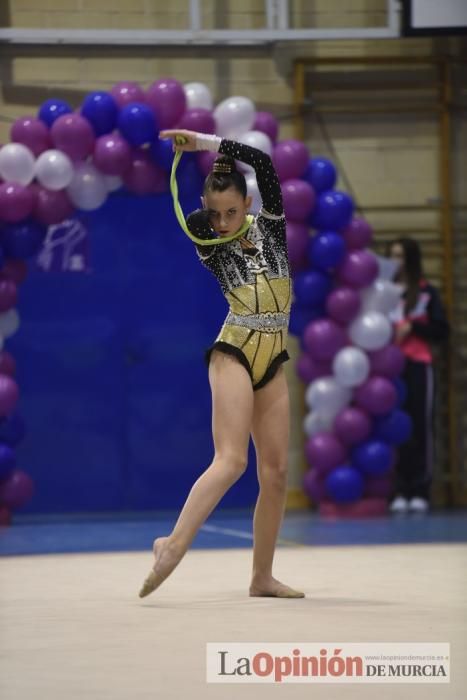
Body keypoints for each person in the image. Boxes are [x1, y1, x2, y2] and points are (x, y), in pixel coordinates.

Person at [138, 128, 304, 599]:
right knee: (231, 460)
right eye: (217, 214)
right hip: (234, 349)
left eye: (233, 212)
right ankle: (172, 546)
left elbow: (265, 165)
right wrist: (210, 181)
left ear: (249, 205)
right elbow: (198, 214)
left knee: (275, 474)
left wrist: (205, 142)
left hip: (272, 356)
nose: (225, 221)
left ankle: (261, 577)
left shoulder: (270, 226)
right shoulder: (208, 239)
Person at [387, 237, 449, 514]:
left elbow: (441, 330)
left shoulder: (426, 292)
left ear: (411, 259)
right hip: (388, 369)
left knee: (420, 427)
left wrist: (413, 328)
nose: (396, 261)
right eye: (392, 256)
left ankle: (420, 489)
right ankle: (400, 488)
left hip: (418, 366)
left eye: (400, 256)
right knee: (394, 428)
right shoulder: (383, 292)